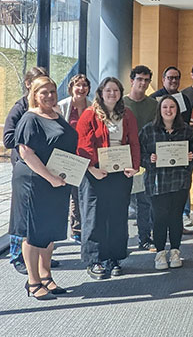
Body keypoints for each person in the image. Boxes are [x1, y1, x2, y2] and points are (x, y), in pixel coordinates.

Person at [14, 76, 75, 300]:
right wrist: (50, 177)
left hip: (56, 181)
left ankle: (46, 276)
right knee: (33, 232)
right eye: (44, 92)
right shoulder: (30, 118)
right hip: (34, 182)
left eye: (52, 91)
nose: (49, 95)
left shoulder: (57, 115)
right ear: (34, 94)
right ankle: (33, 282)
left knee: (48, 231)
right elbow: (26, 153)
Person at [77, 77, 140, 280]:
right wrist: (92, 168)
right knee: (94, 217)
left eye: (116, 90)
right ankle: (95, 260)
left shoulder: (127, 114)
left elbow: (134, 142)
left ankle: (114, 258)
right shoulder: (89, 114)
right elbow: (83, 146)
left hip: (120, 174)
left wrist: (134, 167)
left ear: (121, 93)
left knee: (117, 216)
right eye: (108, 90)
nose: (112, 94)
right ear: (101, 92)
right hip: (96, 174)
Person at [139, 95, 193, 270]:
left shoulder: (186, 130)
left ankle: (176, 251)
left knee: (175, 217)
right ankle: (160, 252)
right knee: (160, 218)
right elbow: (139, 155)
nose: (168, 110)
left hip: (179, 181)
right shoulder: (148, 130)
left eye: (172, 107)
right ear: (159, 110)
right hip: (157, 182)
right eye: (165, 107)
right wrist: (150, 159)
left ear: (177, 110)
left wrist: (190, 157)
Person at [4, 65, 49, 274]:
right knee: (21, 215)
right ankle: (17, 256)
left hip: (43, 167)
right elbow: (7, 138)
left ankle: (39, 258)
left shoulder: (47, 108)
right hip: (24, 166)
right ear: (28, 84)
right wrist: (29, 140)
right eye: (38, 82)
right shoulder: (20, 107)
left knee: (40, 215)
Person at [123, 65, 159, 250]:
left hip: (145, 158)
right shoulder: (121, 103)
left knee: (145, 201)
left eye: (146, 80)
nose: (143, 83)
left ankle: (144, 238)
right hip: (124, 159)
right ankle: (120, 242)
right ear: (131, 80)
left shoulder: (154, 105)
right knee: (122, 202)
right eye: (139, 79)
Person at [55, 74, 91, 244]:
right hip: (66, 156)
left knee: (80, 194)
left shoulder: (92, 107)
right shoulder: (62, 107)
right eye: (78, 85)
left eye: (84, 85)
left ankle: (79, 228)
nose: (81, 89)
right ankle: (67, 230)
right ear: (71, 88)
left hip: (85, 156)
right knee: (65, 193)